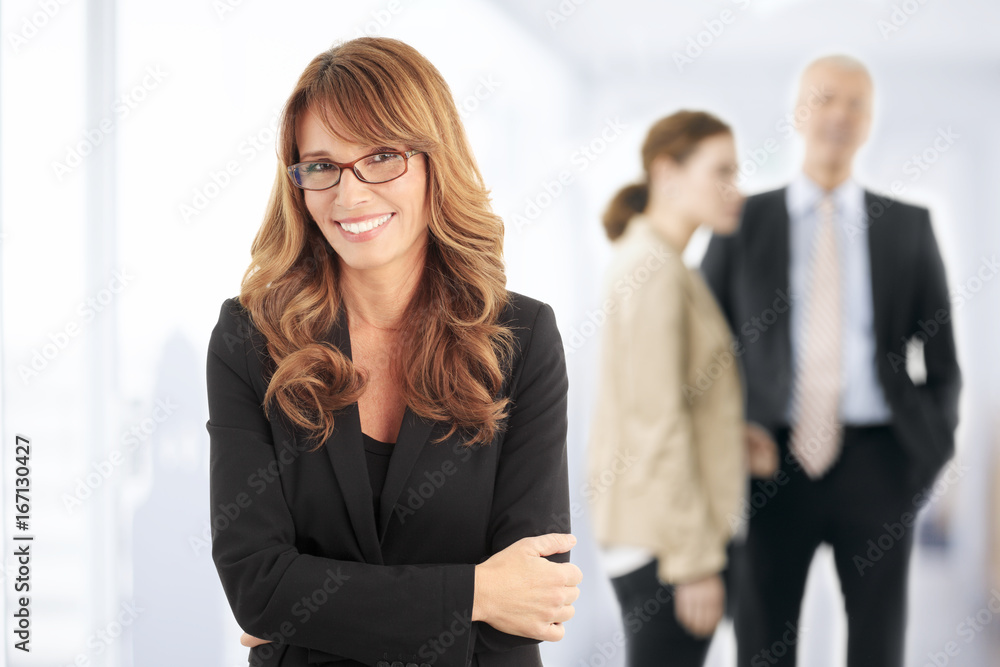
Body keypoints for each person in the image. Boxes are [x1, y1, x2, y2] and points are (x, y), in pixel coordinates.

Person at [205, 37, 582, 667]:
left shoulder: (521, 338)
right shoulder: (251, 339)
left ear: (435, 161)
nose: (349, 197)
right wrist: (476, 592)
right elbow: (258, 587)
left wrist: (314, 614)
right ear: (296, 182)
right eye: (321, 165)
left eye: (381, 156)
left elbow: (531, 604)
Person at [700, 55, 962, 667]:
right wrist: (727, 434)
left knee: (879, 646)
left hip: (879, 462)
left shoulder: (908, 227)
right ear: (799, 112)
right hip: (765, 461)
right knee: (763, 643)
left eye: (856, 104)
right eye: (826, 99)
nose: (840, 114)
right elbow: (704, 353)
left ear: (870, 123)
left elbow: (944, 363)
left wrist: (923, 460)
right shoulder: (741, 221)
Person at [586, 110, 770, 666]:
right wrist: (693, 562)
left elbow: (669, 399)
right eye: (722, 172)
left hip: (663, 533)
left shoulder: (668, 264)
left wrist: (728, 436)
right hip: (665, 546)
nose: (735, 190)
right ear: (667, 174)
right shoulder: (651, 269)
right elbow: (654, 425)